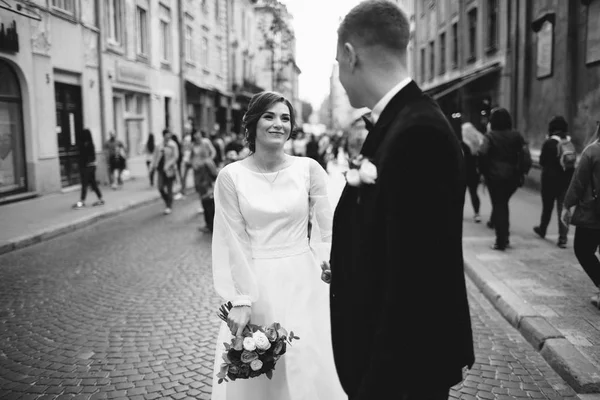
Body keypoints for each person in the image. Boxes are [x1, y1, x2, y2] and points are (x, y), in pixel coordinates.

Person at [324, 2, 474, 399]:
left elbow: (415, 281)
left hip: (400, 373)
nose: (339, 77)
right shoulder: (402, 119)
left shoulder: (416, 131)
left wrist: (376, 387)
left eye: (338, 62)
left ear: (351, 56)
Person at [210, 91, 345, 400]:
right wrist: (241, 298)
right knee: (261, 371)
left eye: (285, 118)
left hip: (304, 281)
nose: (278, 124)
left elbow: (329, 230)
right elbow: (233, 240)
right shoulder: (231, 176)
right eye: (269, 116)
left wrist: (332, 265)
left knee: (307, 362)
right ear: (253, 124)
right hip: (257, 283)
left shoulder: (309, 169)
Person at [479, 107, 531, 250]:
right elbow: (526, 155)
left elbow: (482, 153)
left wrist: (484, 171)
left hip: (494, 177)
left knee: (499, 205)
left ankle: (501, 240)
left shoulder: (490, 136)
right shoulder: (516, 136)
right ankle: (504, 237)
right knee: (503, 204)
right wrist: (522, 172)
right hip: (513, 177)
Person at [563, 122, 600, 308]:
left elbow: (578, 182)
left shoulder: (592, 152)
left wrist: (567, 205)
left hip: (592, 215)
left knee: (583, 250)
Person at [534, 116, 575, 248]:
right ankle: (563, 238)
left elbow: (541, 162)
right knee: (563, 209)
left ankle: (543, 229)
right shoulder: (569, 143)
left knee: (547, 207)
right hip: (566, 182)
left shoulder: (549, 143)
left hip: (549, 181)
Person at [73, 129, 104, 209]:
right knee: (93, 184)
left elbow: (84, 157)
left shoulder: (85, 145)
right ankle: (100, 199)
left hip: (87, 167)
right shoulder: (91, 144)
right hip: (92, 166)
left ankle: (82, 201)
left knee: (84, 184)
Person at [150, 129, 179, 215]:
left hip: (169, 169)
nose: (168, 136)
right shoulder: (159, 145)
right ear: (164, 135)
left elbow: (175, 157)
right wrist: (153, 166)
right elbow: (155, 157)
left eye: (169, 135)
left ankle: (169, 205)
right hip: (160, 169)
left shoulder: (173, 145)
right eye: (166, 134)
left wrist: (169, 164)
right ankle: (167, 200)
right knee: (160, 187)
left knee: (169, 188)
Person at [461, 122, 485, 223]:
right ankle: (477, 213)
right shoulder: (479, 142)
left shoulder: (462, 143)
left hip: (463, 171)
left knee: (461, 194)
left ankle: (459, 213)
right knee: (474, 193)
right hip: (474, 172)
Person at [190, 129, 217, 217]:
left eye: (198, 134)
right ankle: (203, 205)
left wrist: (209, 160)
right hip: (197, 169)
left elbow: (213, 152)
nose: (197, 136)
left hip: (205, 168)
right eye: (195, 134)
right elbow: (191, 156)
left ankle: (210, 206)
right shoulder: (193, 145)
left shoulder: (205, 142)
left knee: (206, 186)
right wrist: (192, 164)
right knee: (199, 187)